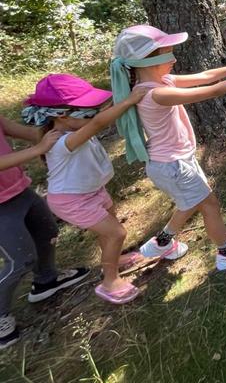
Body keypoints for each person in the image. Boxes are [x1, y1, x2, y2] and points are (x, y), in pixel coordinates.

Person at [111, 24, 226, 270]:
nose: (174, 58)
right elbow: (212, 90)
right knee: (209, 205)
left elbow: (207, 76)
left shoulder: (162, 80)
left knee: (191, 201)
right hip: (172, 165)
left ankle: (163, 242)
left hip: (175, 162)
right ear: (148, 61)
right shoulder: (156, 93)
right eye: (168, 53)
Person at [21, 75, 148, 304]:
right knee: (116, 233)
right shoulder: (61, 142)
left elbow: (97, 117)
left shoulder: (71, 128)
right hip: (72, 200)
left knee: (109, 229)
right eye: (88, 111)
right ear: (61, 115)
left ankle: (115, 259)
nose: (94, 115)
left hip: (92, 190)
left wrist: (124, 91)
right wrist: (128, 101)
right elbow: (99, 122)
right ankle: (110, 282)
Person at [1, 116, 89, 349]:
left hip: (19, 190)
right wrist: (40, 149)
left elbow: (27, 133)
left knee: (47, 231)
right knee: (20, 261)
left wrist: (69, 129)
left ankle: (46, 280)